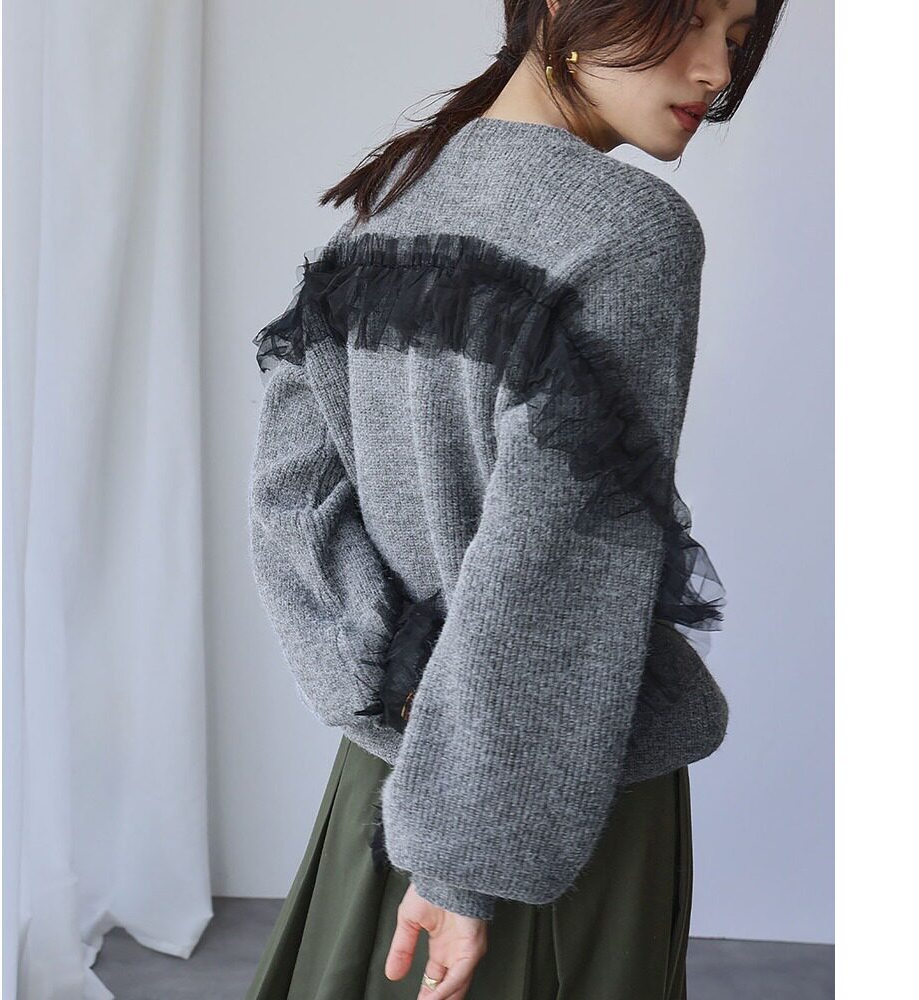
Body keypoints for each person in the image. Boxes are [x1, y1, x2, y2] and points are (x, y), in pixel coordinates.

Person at [245, 1, 785, 997]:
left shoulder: (395, 205)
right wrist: (463, 862)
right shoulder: (631, 229)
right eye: (688, 20)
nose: (717, 69)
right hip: (545, 801)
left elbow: (292, 504)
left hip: (387, 780)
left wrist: (387, 694)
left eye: (739, 36)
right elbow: (560, 555)